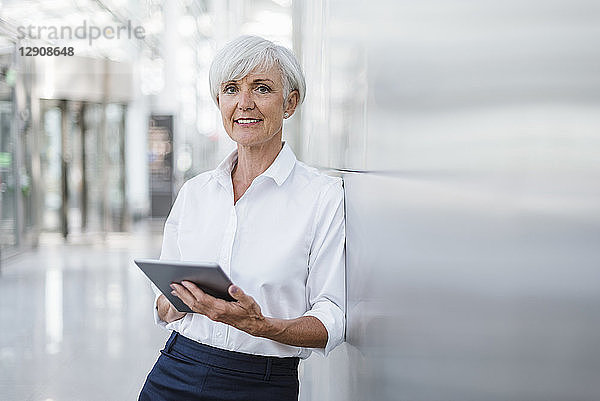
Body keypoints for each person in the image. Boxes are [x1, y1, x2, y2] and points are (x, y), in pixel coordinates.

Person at [138, 35, 345, 401]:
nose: (244, 103)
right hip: (176, 368)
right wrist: (172, 301)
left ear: (290, 103)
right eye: (231, 89)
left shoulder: (322, 198)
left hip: (260, 383)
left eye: (261, 88)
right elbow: (163, 298)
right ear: (220, 101)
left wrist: (262, 326)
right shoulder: (196, 192)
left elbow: (332, 316)